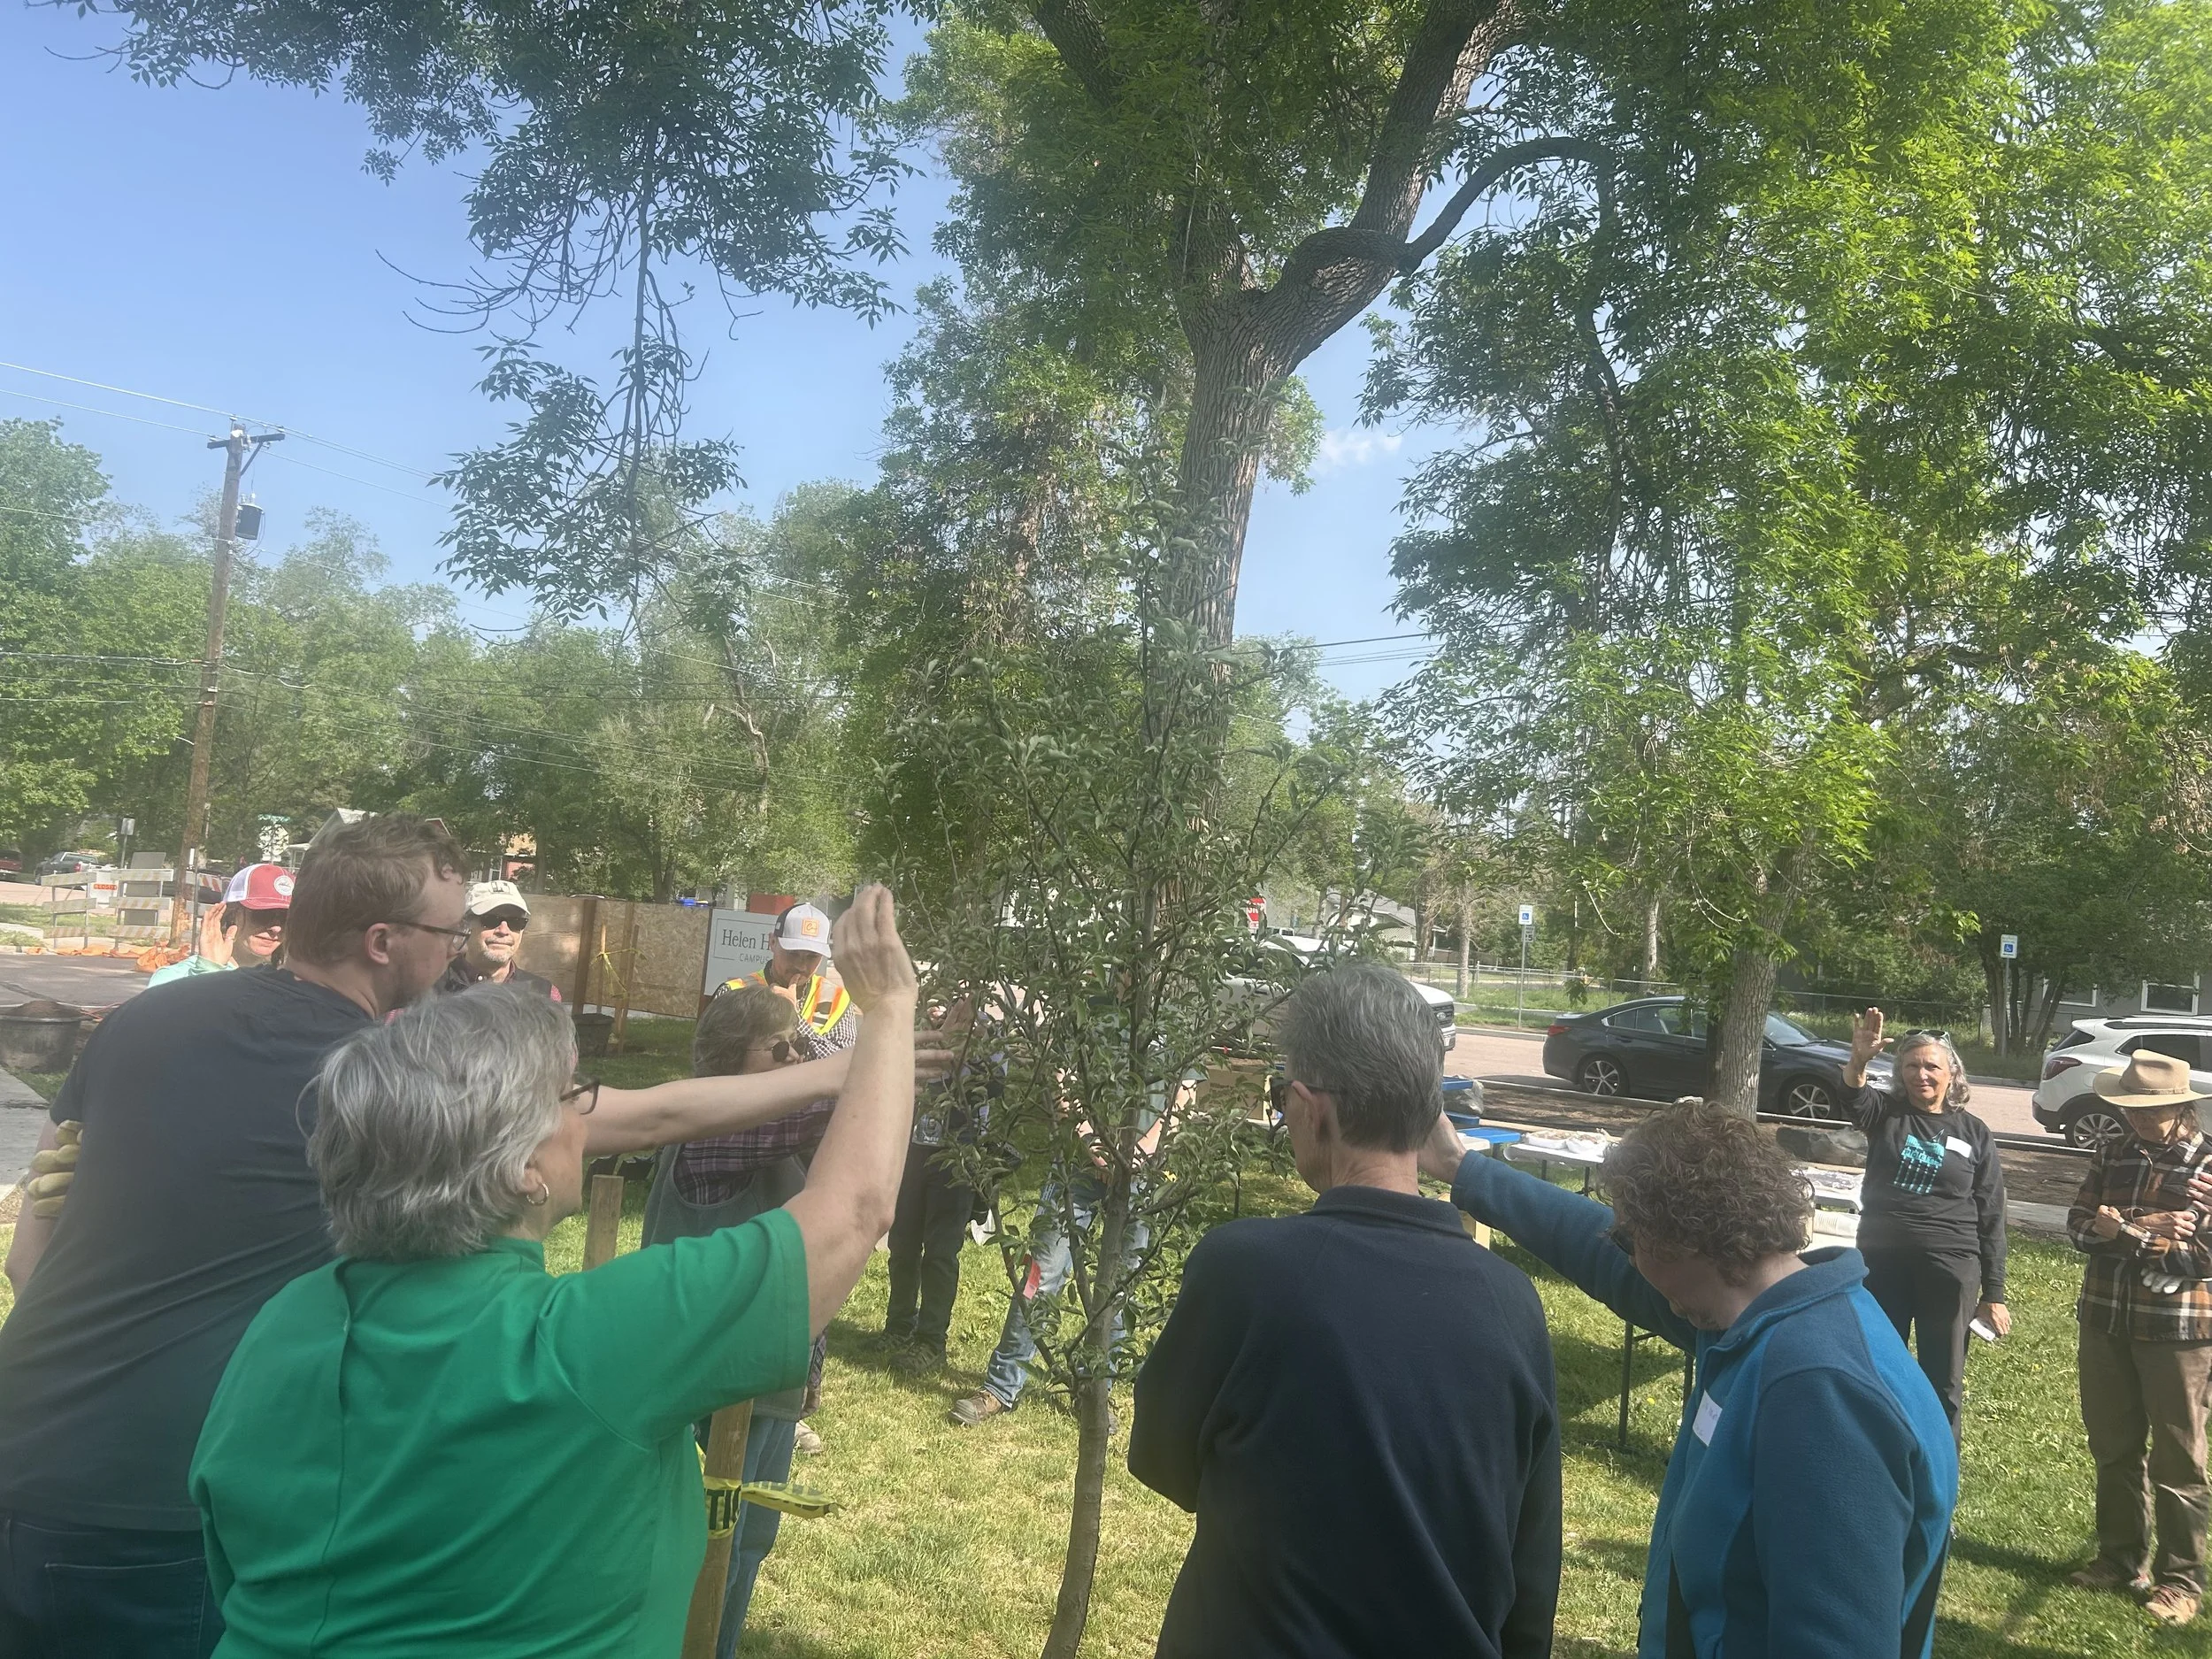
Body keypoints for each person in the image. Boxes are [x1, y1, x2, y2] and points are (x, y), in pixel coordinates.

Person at [0, 815, 887, 1658]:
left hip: (33, 1440)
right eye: (446, 931)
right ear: (384, 941)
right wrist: (864, 1058)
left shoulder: (154, 1025)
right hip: (149, 1515)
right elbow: (686, 1133)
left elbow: (31, 1242)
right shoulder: (376, 1077)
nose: (458, 948)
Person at [189, 887, 921, 1655]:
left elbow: (235, 1563)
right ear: (525, 1170)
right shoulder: (586, 1345)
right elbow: (850, 1215)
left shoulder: (282, 1324)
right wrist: (890, 1008)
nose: (585, 1115)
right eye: (572, 1097)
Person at [1423, 1097, 1956, 1658]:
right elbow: (1588, 1243)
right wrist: (1462, 1167)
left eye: (1628, 1239)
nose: (1625, 1256)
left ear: (1672, 1240)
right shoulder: (1758, 1320)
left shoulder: (1820, 1393)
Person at [1130, 966, 1560, 1658]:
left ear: (1311, 1107)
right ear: (1429, 1113)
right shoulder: (1514, 1303)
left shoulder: (1242, 1270)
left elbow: (1160, 1457)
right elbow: (1531, 1569)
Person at [636, 982, 825, 1658]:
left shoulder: (744, 1127)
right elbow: (823, 1106)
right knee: (701, 1542)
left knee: (744, 1542)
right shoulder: (716, 1130)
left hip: (757, 1379)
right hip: (712, 1383)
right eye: (780, 1047)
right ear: (727, 1058)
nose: (796, 1058)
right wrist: (841, 1053)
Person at [2062, 1050, 2212, 1627]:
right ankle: (2120, 1558)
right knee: (2114, 1446)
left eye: (2150, 1110)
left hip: (2179, 1331)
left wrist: (2122, 1230)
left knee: (2179, 1455)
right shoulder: (2112, 1151)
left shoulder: (2206, 1164)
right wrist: (2147, 1226)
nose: (2138, 1120)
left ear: (2181, 1106)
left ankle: (2180, 1579)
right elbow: (2078, 1225)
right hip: (2105, 1318)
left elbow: (2203, 1255)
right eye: (2131, 1109)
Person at [1839, 1010, 2009, 1440]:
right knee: (1881, 1367)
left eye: (1932, 1065)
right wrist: (1858, 1062)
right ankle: (1881, 1455)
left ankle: (1937, 1469)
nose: (1922, 1074)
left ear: (1952, 1073)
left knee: (1943, 1378)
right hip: (1882, 1263)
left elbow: (1991, 1214)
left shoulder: (1974, 1133)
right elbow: (1854, 1100)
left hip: (1950, 1267)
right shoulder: (1886, 1116)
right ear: (1900, 1074)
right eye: (1911, 1066)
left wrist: (1994, 1293)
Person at [883, 996, 997, 1372]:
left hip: (957, 1156)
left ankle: (931, 1341)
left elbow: (994, 1088)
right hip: (912, 1150)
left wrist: (967, 1047)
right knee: (902, 1243)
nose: (942, 1007)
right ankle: (898, 1326)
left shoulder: (986, 1032)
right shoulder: (921, 1027)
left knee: (941, 1253)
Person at [147, 863, 293, 986]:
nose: (276, 928)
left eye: (286, 918)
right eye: (263, 914)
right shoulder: (172, 979)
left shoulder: (287, 984)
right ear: (233, 913)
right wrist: (209, 971)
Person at [437, 878, 562, 998]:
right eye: (491, 920)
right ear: (463, 926)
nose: (503, 931)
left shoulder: (545, 994)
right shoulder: (428, 988)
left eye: (516, 922)